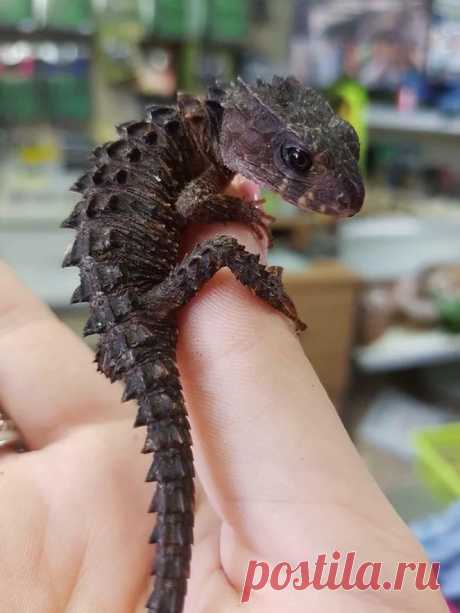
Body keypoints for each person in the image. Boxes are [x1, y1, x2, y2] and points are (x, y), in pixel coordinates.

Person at [0, 181, 448, 612]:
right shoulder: (197, 160)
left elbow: (196, 203)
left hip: (128, 314)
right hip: (141, 307)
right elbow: (205, 220)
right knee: (223, 249)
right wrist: (243, 220)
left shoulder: (196, 152)